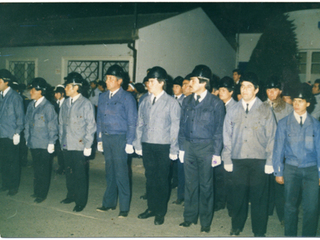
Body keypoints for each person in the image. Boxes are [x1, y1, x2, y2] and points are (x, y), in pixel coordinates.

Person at [222, 72, 277, 237]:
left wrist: (270, 161)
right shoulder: (232, 109)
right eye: (243, 86)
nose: (245, 90)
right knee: (238, 196)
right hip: (238, 160)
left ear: (256, 90)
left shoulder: (265, 110)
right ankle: (236, 226)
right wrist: (227, 158)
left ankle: (259, 231)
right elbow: (227, 135)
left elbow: (272, 137)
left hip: (259, 161)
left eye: (249, 87)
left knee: (259, 198)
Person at [179, 65, 225, 233]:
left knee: (206, 186)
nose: (190, 83)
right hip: (190, 146)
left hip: (206, 147)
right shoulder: (187, 101)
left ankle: (205, 221)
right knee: (190, 184)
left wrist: (216, 152)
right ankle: (189, 217)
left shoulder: (216, 103)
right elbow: (182, 125)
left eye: (193, 80)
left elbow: (219, 129)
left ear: (203, 82)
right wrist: (182, 147)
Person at [133, 66, 180, 225]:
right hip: (147, 144)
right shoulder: (144, 100)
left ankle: (160, 211)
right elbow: (139, 123)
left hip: (163, 146)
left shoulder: (171, 103)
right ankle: (151, 208)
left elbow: (175, 127)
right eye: (148, 81)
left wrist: (174, 148)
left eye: (152, 81)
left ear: (161, 83)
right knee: (150, 178)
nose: (148, 84)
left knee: (161, 180)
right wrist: (138, 143)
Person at [273, 85, 320, 237]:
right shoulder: (283, 123)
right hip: (291, 170)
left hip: (311, 170)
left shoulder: (315, 125)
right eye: (295, 100)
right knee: (290, 207)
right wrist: (278, 171)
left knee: (311, 208)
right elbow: (278, 149)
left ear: (308, 103)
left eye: (301, 101)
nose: (296, 104)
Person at [96, 64, 137, 218]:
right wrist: (99, 138)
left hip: (120, 138)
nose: (107, 81)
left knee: (121, 173)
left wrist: (129, 142)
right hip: (106, 137)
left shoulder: (127, 98)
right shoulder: (102, 96)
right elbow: (99, 119)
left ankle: (124, 208)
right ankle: (109, 203)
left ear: (119, 81)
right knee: (110, 172)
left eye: (110, 79)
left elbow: (132, 121)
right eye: (106, 78)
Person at [59, 72, 96, 212]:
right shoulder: (65, 103)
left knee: (80, 174)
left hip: (80, 145)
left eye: (68, 86)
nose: (65, 88)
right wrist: (62, 142)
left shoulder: (86, 104)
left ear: (76, 87)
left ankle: (80, 201)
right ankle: (71, 195)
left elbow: (91, 126)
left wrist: (88, 145)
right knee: (69, 172)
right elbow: (61, 123)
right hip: (67, 144)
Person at [264, 76, 293, 225]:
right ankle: (267, 210)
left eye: (274, 90)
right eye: (268, 90)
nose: (271, 93)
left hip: (281, 153)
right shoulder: (261, 106)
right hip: (265, 152)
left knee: (280, 186)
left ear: (280, 91)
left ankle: (282, 216)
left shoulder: (288, 109)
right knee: (265, 184)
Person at [25, 78, 58, 203]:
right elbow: (27, 123)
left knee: (43, 170)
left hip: (44, 144)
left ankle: (42, 194)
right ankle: (37, 190)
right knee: (37, 169)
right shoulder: (31, 105)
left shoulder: (48, 107)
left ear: (40, 91)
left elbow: (52, 126)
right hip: (34, 143)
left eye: (33, 89)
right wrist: (27, 138)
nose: (31, 92)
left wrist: (51, 142)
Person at [0, 69, 24, 196]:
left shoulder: (15, 97)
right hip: (1, 134)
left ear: (6, 82)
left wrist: (17, 133)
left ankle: (13, 186)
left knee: (12, 162)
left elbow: (20, 116)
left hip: (11, 135)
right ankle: (5, 183)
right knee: (3, 161)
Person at [217, 76, 236, 216]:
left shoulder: (235, 107)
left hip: (230, 147)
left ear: (231, 92)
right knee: (218, 176)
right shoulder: (217, 105)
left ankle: (231, 205)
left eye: (224, 90)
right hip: (218, 146)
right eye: (220, 89)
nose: (220, 92)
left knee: (230, 179)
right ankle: (219, 202)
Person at [170, 76, 185, 204]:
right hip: (171, 137)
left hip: (181, 137)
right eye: (173, 86)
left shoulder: (184, 100)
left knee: (182, 168)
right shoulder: (170, 100)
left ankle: (181, 195)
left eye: (177, 86)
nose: (174, 89)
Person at [53, 84, 66, 175]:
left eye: (57, 93)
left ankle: (65, 167)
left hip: (64, 131)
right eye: (55, 93)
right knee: (58, 149)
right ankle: (61, 166)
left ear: (62, 94)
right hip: (57, 130)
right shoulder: (56, 104)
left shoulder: (66, 103)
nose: (55, 95)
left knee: (63, 149)